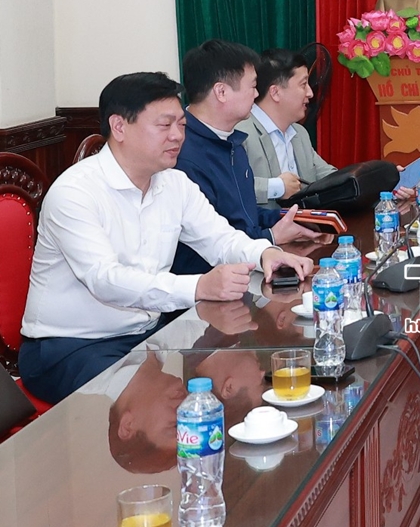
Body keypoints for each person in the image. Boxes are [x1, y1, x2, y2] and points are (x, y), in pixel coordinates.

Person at [19, 72, 315, 403]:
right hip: (70, 347)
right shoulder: (75, 193)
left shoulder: (174, 183)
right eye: (164, 125)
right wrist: (200, 286)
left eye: (181, 125)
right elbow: (105, 280)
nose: (177, 136)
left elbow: (220, 239)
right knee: (167, 407)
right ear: (119, 127)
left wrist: (266, 254)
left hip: (145, 336)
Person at [173, 40, 318, 275]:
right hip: (210, 283)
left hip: (248, 264)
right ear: (221, 92)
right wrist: (271, 236)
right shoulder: (183, 155)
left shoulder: (232, 142)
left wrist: (296, 221)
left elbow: (246, 214)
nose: (257, 94)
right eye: (252, 86)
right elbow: (210, 241)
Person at [238, 48, 337, 211]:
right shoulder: (240, 133)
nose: (310, 93)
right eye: (303, 84)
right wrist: (277, 187)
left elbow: (328, 178)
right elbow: (229, 188)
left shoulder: (300, 133)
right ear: (275, 92)